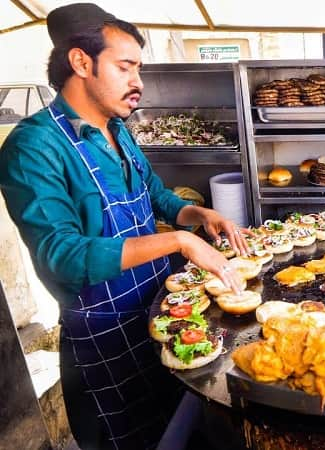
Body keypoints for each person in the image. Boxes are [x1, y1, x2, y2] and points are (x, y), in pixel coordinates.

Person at [0, 4, 250, 449]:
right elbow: (62, 255)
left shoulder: (119, 130)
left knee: (183, 428)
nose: (138, 82)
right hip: (105, 336)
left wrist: (199, 216)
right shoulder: (34, 146)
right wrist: (178, 241)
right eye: (125, 66)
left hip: (161, 312)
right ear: (81, 62)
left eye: (139, 68)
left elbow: (157, 195)